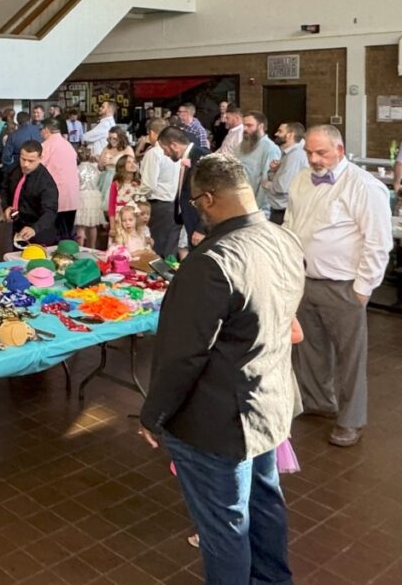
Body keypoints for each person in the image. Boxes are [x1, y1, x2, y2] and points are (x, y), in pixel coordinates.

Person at [139, 153, 305, 585]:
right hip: (269, 400)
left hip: (217, 421)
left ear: (208, 200)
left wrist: (153, 416)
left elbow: (182, 356)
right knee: (265, 507)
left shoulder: (211, 261)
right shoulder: (283, 238)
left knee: (225, 526)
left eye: (195, 203)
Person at [285, 125, 393, 447]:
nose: (314, 159)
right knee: (310, 349)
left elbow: (378, 243)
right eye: (309, 152)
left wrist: (362, 289)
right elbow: (290, 224)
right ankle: (319, 402)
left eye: (322, 153)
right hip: (305, 280)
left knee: (350, 357)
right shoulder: (302, 179)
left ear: (340, 150)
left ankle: (351, 420)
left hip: (344, 286)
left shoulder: (364, 186)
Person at [156, 127, 209, 249]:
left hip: (199, 226)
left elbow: (211, 194)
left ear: (174, 145)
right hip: (188, 221)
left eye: (165, 149)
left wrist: (201, 228)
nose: (165, 154)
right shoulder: (188, 157)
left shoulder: (202, 157)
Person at [3, 140, 59, 247]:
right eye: (23, 159)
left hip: (39, 231)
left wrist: (35, 228)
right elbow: (4, 188)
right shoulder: (14, 169)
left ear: (40, 158)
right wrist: (6, 206)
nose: (25, 164)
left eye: (31, 161)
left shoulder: (46, 182)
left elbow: (50, 212)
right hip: (17, 226)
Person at [139, 118, 180, 258]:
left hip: (158, 204)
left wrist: (137, 198)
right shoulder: (177, 152)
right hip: (175, 202)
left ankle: (156, 278)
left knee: (156, 246)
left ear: (152, 133)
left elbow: (149, 183)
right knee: (171, 247)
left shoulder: (154, 153)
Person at [233, 111, 282, 216]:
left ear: (261, 126)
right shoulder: (239, 147)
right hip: (238, 204)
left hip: (256, 208)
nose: (245, 129)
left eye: (249, 125)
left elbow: (266, 182)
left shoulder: (270, 149)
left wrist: (259, 210)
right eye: (244, 125)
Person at [39, 118, 80, 240]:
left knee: (54, 234)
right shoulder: (68, 145)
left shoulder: (46, 146)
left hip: (55, 195)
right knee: (68, 232)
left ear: (46, 130)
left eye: (41, 130)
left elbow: (39, 169)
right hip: (72, 195)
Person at [264, 121, 308, 225]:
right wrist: (273, 172)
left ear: (290, 135)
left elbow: (282, 187)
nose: (276, 134)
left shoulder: (295, 156)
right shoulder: (287, 154)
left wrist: (267, 184)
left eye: (280, 131)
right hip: (280, 210)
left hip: (284, 211)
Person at [97, 127, 135, 212]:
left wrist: (114, 163)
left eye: (115, 138)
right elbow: (100, 168)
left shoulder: (127, 149)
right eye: (110, 138)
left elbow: (132, 166)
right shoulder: (107, 148)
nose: (112, 141)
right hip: (105, 179)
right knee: (104, 208)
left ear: (121, 138)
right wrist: (102, 163)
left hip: (119, 178)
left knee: (118, 206)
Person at [74, 145, 105, 249]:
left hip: (81, 196)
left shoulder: (76, 169)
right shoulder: (95, 168)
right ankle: (92, 246)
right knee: (92, 225)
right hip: (94, 196)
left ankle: (80, 247)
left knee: (80, 226)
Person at [106, 154, 144, 221]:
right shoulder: (116, 184)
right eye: (129, 162)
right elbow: (111, 206)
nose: (133, 164)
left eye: (134, 162)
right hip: (120, 219)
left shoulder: (140, 183)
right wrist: (112, 226)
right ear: (122, 166)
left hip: (136, 218)